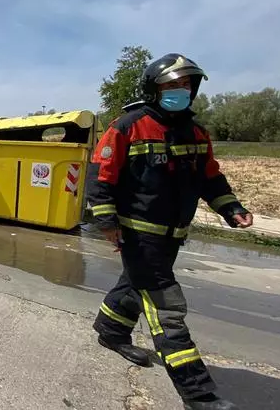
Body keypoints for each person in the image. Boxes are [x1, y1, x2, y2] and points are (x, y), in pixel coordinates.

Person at [87, 53, 252, 410]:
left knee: (135, 285)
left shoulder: (196, 133)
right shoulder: (128, 126)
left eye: (186, 84)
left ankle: (111, 331)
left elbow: (210, 178)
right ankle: (198, 393)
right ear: (154, 89)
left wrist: (232, 208)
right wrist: (107, 223)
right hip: (138, 235)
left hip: (173, 234)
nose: (181, 90)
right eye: (172, 85)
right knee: (166, 307)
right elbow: (100, 177)